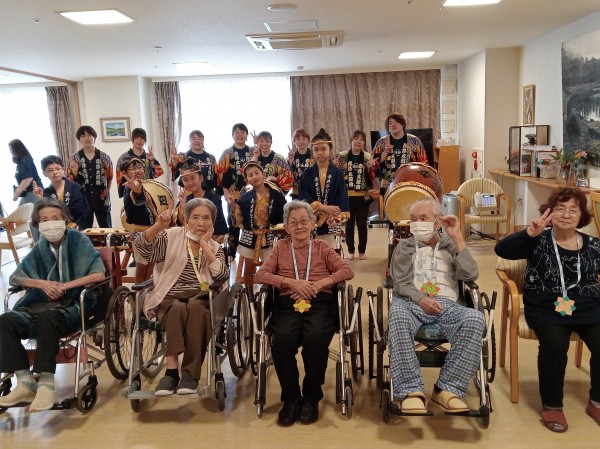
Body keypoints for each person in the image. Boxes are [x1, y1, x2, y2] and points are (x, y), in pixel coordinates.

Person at [495, 186, 600, 433]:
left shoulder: (594, 245)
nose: (566, 214)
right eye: (560, 209)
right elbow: (501, 250)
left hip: (588, 308)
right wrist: (528, 234)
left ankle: (597, 401)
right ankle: (552, 405)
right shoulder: (538, 240)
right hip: (546, 308)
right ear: (549, 212)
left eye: (573, 210)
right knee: (554, 342)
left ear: (581, 216)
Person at [0, 198, 105, 411]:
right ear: (38, 224)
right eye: (44, 220)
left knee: (47, 317)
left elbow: (99, 274)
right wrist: (42, 284)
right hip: (39, 306)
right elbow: (15, 277)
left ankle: (46, 384)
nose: (50, 223)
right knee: (5, 320)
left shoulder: (78, 240)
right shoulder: (41, 247)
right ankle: (25, 382)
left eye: (55, 218)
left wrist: (64, 286)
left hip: (72, 308)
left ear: (65, 219)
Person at [254, 200, 354, 426]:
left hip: (319, 301)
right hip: (288, 302)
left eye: (304, 221)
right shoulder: (280, 247)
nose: (299, 226)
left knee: (315, 338)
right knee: (282, 339)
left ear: (312, 224)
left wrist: (318, 284)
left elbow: (346, 271)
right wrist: (290, 282)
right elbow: (261, 275)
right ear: (286, 227)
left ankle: (311, 397)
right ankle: (291, 398)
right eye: (293, 223)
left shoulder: (322, 247)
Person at [388, 198, 484, 415]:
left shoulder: (452, 246)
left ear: (438, 221)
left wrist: (458, 238)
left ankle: (446, 390)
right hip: (412, 303)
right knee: (397, 315)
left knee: (475, 319)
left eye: (423, 218)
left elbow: (470, 274)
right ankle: (411, 391)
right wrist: (420, 299)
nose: (417, 224)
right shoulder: (404, 247)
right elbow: (400, 283)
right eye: (413, 219)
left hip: (448, 304)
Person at [134, 198, 229, 396]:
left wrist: (205, 245)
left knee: (197, 309)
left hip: (201, 296)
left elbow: (222, 276)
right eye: (195, 217)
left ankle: (190, 375)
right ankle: (171, 372)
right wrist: (158, 226)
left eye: (206, 218)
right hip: (170, 295)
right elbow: (142, 249)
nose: (200, 223)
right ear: (186, 219)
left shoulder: (215, 247)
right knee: (176, 308)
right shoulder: (170, 236)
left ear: (213, 223)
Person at [226, 161, 286, 290]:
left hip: (270, 234)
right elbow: (239, 217)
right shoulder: (245, 197)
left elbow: (284, 212)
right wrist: (232, 205)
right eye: (250, 175)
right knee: (248, 268)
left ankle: (269, 294)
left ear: (263, 174)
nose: (254, 177)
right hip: (250, 235)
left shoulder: (276, 194)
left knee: (272, 268)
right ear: (246, 179)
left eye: (256, 173)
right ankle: (249, 294)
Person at [298, 128, 349, 245]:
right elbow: (303, 197)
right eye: (316, 149)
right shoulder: (306, 174)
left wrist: (335, 217)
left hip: (332, 220)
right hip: (312, 220)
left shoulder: (337, 173)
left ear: (330, 150)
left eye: (323, 149)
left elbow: (342, 197)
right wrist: (324, 208)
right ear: (312, 151)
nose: (320, 152)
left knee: (332, 251)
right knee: (312, 252)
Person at [120, 156, 166, 283]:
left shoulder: (147, 186)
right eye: (132, 168)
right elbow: (137, 194)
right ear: (125, 173)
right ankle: (139, 293)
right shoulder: (131, 188)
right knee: (141, 268)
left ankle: (146, 292)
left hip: (153, 231)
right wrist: (136, 187)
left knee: (150, 268)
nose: (137, 170)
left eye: (140, 167)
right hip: (141, 234)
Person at [336, 130, 379, 260]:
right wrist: (337, 167)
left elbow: (373, 177)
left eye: (362, 139)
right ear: (351, 140)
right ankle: (350, 251)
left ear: (364, 142)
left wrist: (370, 167)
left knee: (362, 225)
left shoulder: (367, 156)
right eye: (356, 138)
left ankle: (362, 251)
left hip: (362, 196)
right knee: (349, 225)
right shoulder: (342, 156)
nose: (359, 141)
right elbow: (336, 175)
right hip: (347, 197)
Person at [217, 123, 255, 258]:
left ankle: (249, 251)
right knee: (233, 223)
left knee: (250, 221)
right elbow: (221, 175)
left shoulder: (253, 151)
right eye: (237, 132)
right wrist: (226, 193)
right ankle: (231, 252)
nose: (240, 135)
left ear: (247, 135)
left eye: (243, 132)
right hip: (233, 194)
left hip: (251, 194)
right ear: (232, 135)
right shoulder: (227, 153)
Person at [67, 126, 113, 228]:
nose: (86, 138)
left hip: (102, 198)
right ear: (79, 139)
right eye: (83, 136)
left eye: (89, 135)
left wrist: (105, 191)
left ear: (94, 137)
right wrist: (75, 173)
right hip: (83, 199)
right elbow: (70, 182)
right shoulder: (74, 158)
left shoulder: (104, 157)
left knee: (107, 228)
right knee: (84, 230)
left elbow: (110, 177)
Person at [372, 113, 428, 193]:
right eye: (390, 123)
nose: (393, 125)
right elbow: (373, 165)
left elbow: (424, 165)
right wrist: (385, 152)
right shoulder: (381, 142)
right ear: (388, 127)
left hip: (410, 184)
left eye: (396, 122)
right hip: (387, 186)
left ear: (403, 124)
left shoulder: (414, 141)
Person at [174, 158, 227, 241]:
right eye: (185, 180)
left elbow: (219, 225)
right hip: (188, 240)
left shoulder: (214, 198)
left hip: (210, 240)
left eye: (192, 178)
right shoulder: (184, 200)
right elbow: (179, 224)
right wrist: (183, 205)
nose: (190, 182)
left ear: (200, 178)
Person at [33, 155, 91, 230]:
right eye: (50, 170)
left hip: (77, 227)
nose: (55, 172)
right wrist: (40, 198)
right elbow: (44, 216)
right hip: (55, 229)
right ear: (44, 173)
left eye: (57, 169)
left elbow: (82, 210)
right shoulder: (46, 192)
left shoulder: (75, 187)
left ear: (63, 170)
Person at [9, 139, 43, 240]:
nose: (11, 151)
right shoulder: (20, 162)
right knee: (24, 217)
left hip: (33, 192)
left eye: (11, 149)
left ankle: (36, 242)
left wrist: (17, 193)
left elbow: (28, 178)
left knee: (31, 218)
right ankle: (34, 241)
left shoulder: (26, 160)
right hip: (27, 194)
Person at [115, 127, 163, 198]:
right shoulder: (123, 158)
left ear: (145, 140)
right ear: (132, 139)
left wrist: (152, 160)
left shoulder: (149, 156)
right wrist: (122, 192)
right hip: (130, 192)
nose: (139, 140)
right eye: (137, 137)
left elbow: (157, 173)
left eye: (142, 138)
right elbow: (119, 177)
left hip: (147, 192)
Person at [288, 129, 313, 200]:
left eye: (304, 139)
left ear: (308, 141)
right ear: (294, 141)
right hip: (296, 192)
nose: (301, 141)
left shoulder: (313, 155)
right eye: (298, 139)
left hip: (311, 191)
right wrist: (291, 160)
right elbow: (288, 174)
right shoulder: (292, 156)